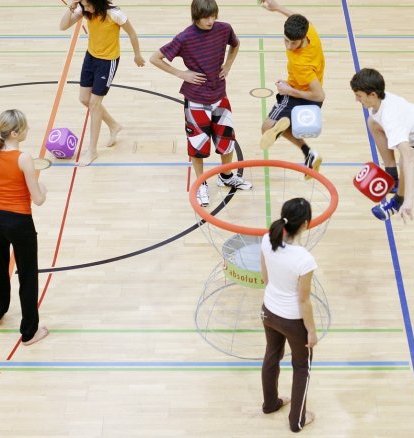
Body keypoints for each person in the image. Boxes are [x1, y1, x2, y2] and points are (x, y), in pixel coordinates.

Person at [149, 0, 252, 207]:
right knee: (197, 146)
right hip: (196, 100)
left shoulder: (224, 29)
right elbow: (155, 58)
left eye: (214, 15)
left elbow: (236, 44)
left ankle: (226, 176)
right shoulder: (185, 37)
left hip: (220, 96)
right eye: (207, 17)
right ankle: (201, 183)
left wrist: (228, 65)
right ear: (196, 16)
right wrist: (181, 73)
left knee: (227, 140)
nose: (211, 21)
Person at [0, 109, 50, 346]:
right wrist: (44, 190)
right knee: (28, 275)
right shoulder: (23, 158)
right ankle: (30, 332)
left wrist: (0, 185)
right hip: (19, 221)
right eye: (26, 127)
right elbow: (37, 199)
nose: (29, 130)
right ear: (16, 133)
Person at [350, 67, 414, 221]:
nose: (357, 100)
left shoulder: (391, 118)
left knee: (405, 159)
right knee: (372, 122)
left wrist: (409, 200)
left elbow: (409, 158)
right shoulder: (381, 102)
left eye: (359, 96)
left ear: (373, 94)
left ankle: (397, 203)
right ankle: (392, 178)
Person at [60, 0, 145, 167]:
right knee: (84, 99)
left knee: (94, 103)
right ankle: (114, 125)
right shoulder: (85, 9)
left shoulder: (114, 13)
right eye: (84, 5)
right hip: (90, 57)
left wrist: (137, 55)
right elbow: (63, 26)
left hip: (107, 62)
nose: (87, 9)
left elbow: (132, 33)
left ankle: (92, 150)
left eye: (89, 5)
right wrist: (73, 6)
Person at [259, 198, 318, 432]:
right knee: (302, 367)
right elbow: (303, 301)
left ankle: (270, 404)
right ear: (305, 224)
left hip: (268, 311)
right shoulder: (304, 259)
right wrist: (311, 331)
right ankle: (297, 421)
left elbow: (265, 278)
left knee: (272, 355)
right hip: (293, 321)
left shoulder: (267, 239)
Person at [258, 0, 325, 175]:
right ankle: (308, 153)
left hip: (303, 95)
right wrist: (278, 7)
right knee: (278, 127)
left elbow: (319, 96)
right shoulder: (309, 30)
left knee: (266, 129)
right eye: (286, 40)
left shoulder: (301, 64)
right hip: (304, 92)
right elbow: (298, 19)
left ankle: (285, 125)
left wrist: (289, 90)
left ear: (302, 38)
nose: (289, 46)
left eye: (293, 43)